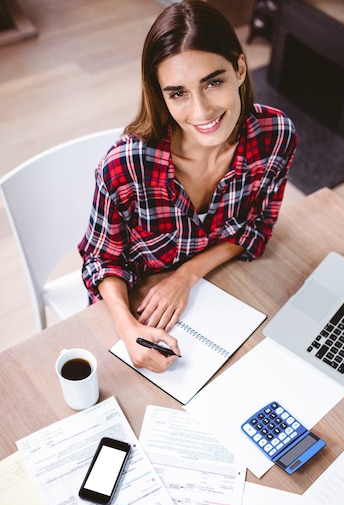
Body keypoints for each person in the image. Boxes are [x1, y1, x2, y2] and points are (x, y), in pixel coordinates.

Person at [78, 0, 297, 373]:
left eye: (213, 82)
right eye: (178, 92)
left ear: (240, 69)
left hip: (219, 292)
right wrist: (128, 330)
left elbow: (257, 228)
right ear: (160, 93)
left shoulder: (276, 137)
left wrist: (185, 276)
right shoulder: (125, 165)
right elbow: (101, 260)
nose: (201, 111)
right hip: (137, 309)